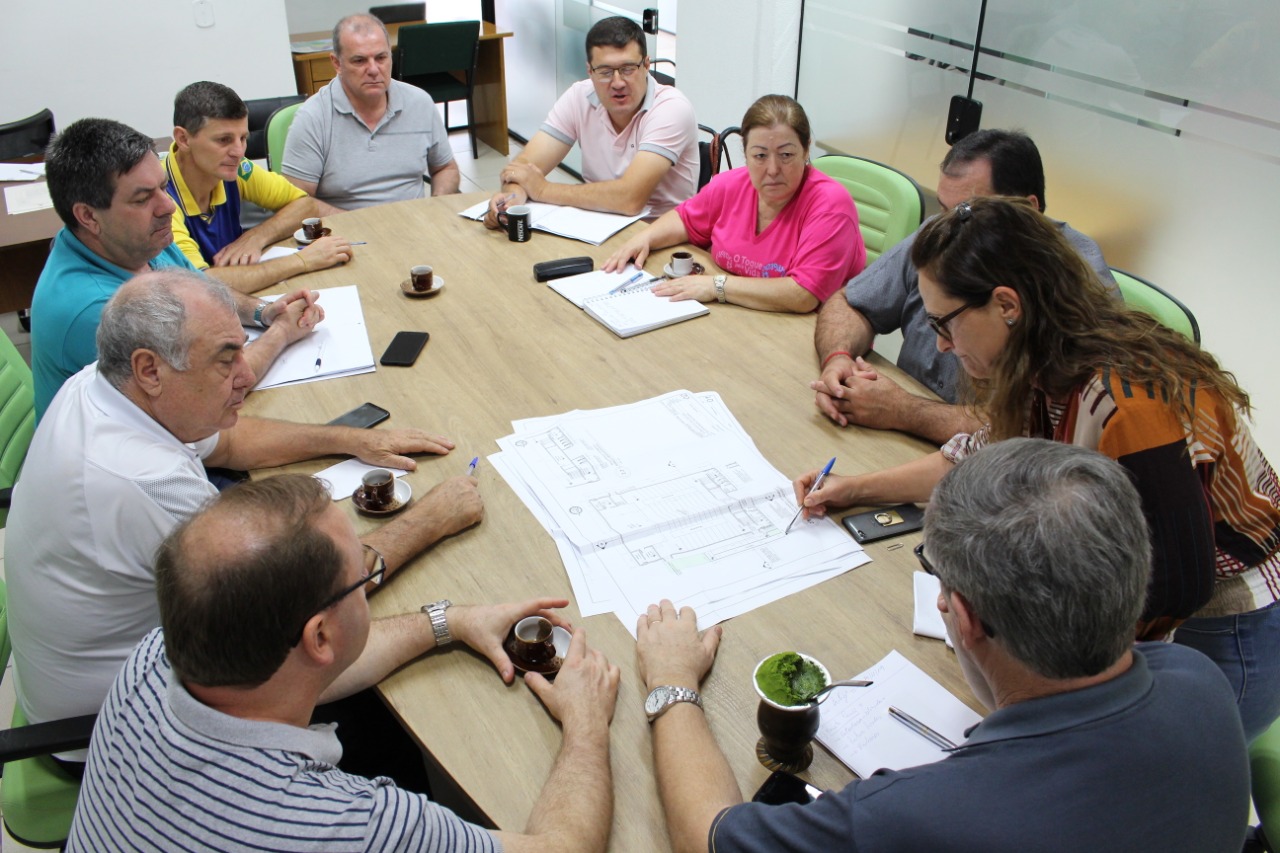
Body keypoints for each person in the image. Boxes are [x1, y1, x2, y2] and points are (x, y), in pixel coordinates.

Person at [798, 197, 1280, 742]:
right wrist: (852, 490)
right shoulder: (1040, 361)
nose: (940, 343)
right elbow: (974, 458)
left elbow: (1176, 587)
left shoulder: (1128, 404)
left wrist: (1031, 658)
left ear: (1006, 304)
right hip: (1144, 607)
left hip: (1220, 634)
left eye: (945, 323)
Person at [636, 439, 1250, 852]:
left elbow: (711, 836)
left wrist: (673, 683)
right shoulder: (1200, 681)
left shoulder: (924, 817)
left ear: (960, 612)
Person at [6, 269, 483, 768]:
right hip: (120, 732)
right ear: (150, 369)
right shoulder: (146, 483)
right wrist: (432, 520)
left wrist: (349, 439)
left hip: (104, 670)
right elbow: (316, 600)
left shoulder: (103, 385)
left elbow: (227, 441)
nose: (246, 375)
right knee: (389, 732)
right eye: (225, 359)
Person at [67, 474, 620, 852]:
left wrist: (447, 620)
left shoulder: (151, 659)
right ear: (321, 634)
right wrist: (587, 724)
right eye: (361, 573)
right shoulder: (347, 827)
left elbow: (313, 672)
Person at [811, 129, 1115, 441]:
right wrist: (838, 359)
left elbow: (1033, 429)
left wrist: (904, 411)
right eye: (945, 209)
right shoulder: (944, 235)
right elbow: (851, 302)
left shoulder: (1076, 280)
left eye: (968, 210)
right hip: (899, 442)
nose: (950, 224)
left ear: (1026, 209)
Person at [31, 117, 322, 419]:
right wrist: (281, 333)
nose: (168, 206)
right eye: (143, 198)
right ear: (89, 217)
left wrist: (264, 311)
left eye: (163, 187)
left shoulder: (135, 239)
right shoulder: (96, 309)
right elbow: (210, 393)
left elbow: (204, 290)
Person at [604, 95, 865, 313]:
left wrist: (716, 286)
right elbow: (685, 219)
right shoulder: (730, 185)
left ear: (806, 150)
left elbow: (803, 294)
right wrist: (645, 238)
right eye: (760, 156)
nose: (773, 169)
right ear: (746, 152)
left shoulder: (830, 206)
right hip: (738, 317)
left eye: (786, 155)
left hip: (804, 335)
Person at [483, 16, 697, 227]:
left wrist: (541, 190)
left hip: (663, 237)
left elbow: (629, 199)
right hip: (598, 226)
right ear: (590, 71)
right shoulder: (579, 96)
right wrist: (513, 198)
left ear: (646, 65)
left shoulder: (671, 108)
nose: (618, 82)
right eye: (605, 72)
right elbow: (522, 168)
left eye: (628, 69)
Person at [164, 81, 354, 294]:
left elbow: (304, 204)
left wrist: (257, 236)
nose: (238, 151)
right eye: (224, 140)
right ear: (183, 139)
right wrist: (301, 261)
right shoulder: (160, 201)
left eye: (243, 138)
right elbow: (201, 285)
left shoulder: (236, 169)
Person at [282, 14, 461, 209]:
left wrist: (435, 205)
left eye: (381, 57)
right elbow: (298, 203)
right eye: (359, 61)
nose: (374, 69)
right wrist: (361, 225)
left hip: (413, 226)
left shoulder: (419, 103)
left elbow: (446, 168)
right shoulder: (313, 118)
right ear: (337, 63)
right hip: (345, 231)